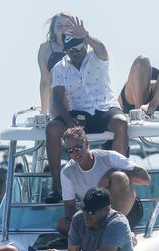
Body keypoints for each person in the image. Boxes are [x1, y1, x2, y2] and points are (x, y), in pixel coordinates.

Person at [44, 16, 128, 203]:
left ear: (84, 44)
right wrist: (66, 119)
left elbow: (101, 48)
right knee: (52, 128)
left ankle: (119, 181)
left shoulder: (97, 57)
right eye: (70, 49)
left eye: (78, 46)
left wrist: (87, 36)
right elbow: (57, 98)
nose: (75, 52)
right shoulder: (60, 68)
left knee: (121, 123)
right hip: (79, 111)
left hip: (104, 107)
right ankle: (57, 187)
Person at [57, 127, 150, 236]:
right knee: (62, 224)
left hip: (128, 212)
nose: (75, 153)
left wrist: (111, 173)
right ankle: (104, 235)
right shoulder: (67, 172)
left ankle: (115, 229)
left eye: (78, 148)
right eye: (70, 150)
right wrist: (84, 224)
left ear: (87, 143)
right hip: (96, 216)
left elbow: (145, 179)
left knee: (119, 176)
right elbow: (69, 207)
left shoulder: (109, 157)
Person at [38, 12, 74, 115]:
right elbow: (45, 81)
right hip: (56, 101)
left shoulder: (82, 46)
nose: (63, 29)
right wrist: (43, 112)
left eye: (67, 25)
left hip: (78, 100)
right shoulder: (45, 48)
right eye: (59, 26)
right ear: (53, 29)